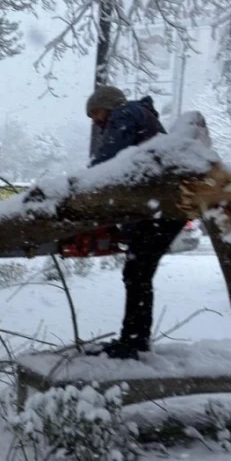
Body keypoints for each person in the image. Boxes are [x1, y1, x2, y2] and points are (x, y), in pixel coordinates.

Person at [86, 86, 185, 360]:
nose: (94, 120)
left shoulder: (126, 112)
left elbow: (109, 159)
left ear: (108, 105)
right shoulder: (143, 119)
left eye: (95, 112)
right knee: (137, 274)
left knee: (137, 274)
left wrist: (84, 184)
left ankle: (133, 342)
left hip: (162, 210)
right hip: (165, 209)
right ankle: (134, 339)